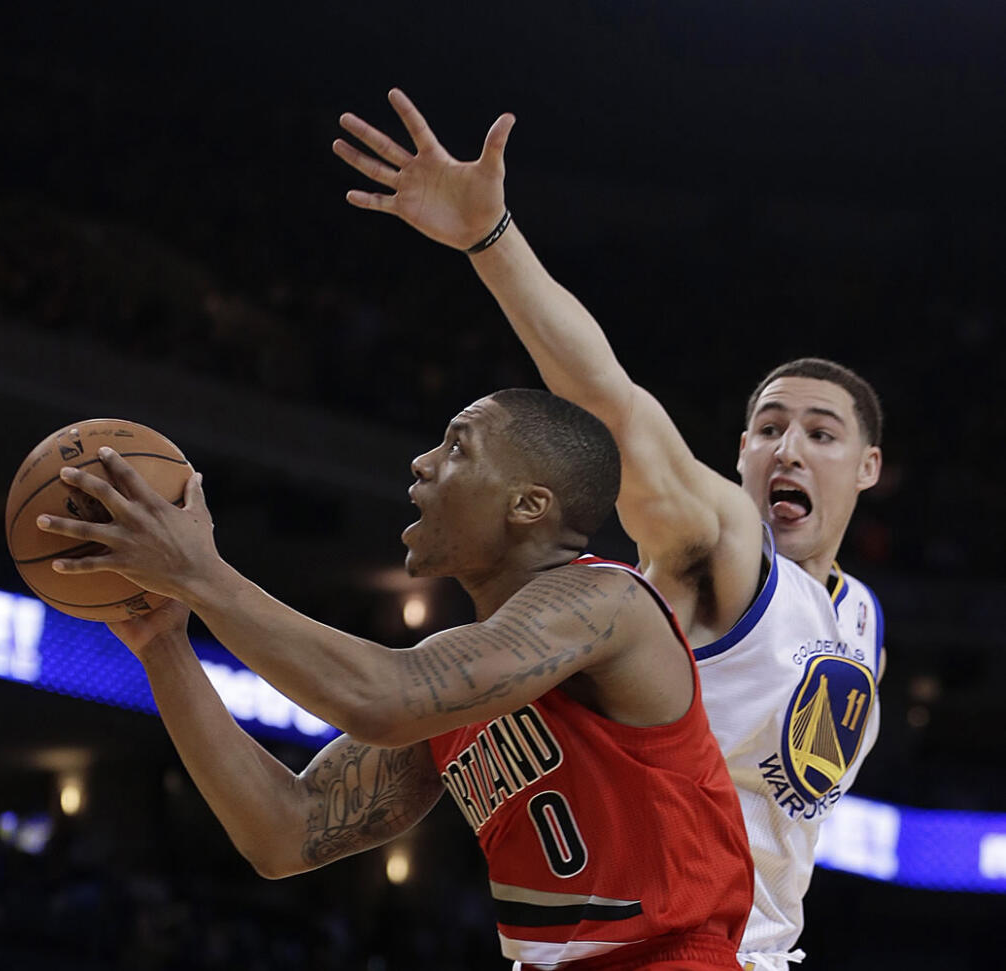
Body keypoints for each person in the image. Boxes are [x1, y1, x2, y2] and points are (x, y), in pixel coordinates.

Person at [332, 90, 885, 971]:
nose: (789, 448)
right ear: (739, 454)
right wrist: (492, 239)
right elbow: (613, 407)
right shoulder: (723, 542)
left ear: (867, 467)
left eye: (821, 433)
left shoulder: (860, 618)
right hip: (647, 940)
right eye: (769, 427)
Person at [37, 389, 754, 970]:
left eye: (456, 446)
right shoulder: (465, 672)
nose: (421, 462)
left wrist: (199, 571)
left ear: (529, 505)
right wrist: (165, 645)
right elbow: (285, 831)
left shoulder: (609, 602)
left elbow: (385, 697)